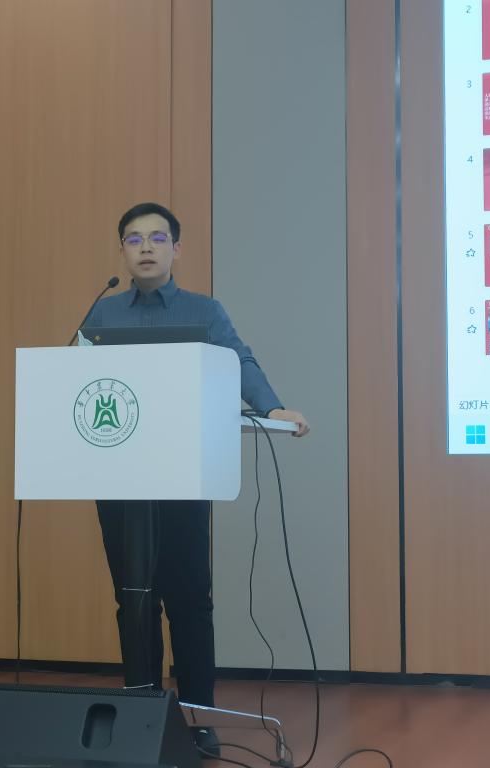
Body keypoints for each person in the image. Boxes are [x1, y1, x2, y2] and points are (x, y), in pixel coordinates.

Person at [86, 202, 309, 758]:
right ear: (122, 250)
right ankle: (138, 714)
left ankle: (198, 717)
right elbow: (77, 382)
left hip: (183, 474)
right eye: (133, 238)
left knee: (188, 601)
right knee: (133, 600)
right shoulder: (102, 314)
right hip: (119, 480)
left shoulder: (204, 311)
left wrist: (271, 406)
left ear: (176, 249)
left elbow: (240, 362)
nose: (145, 247)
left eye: (157, 238)